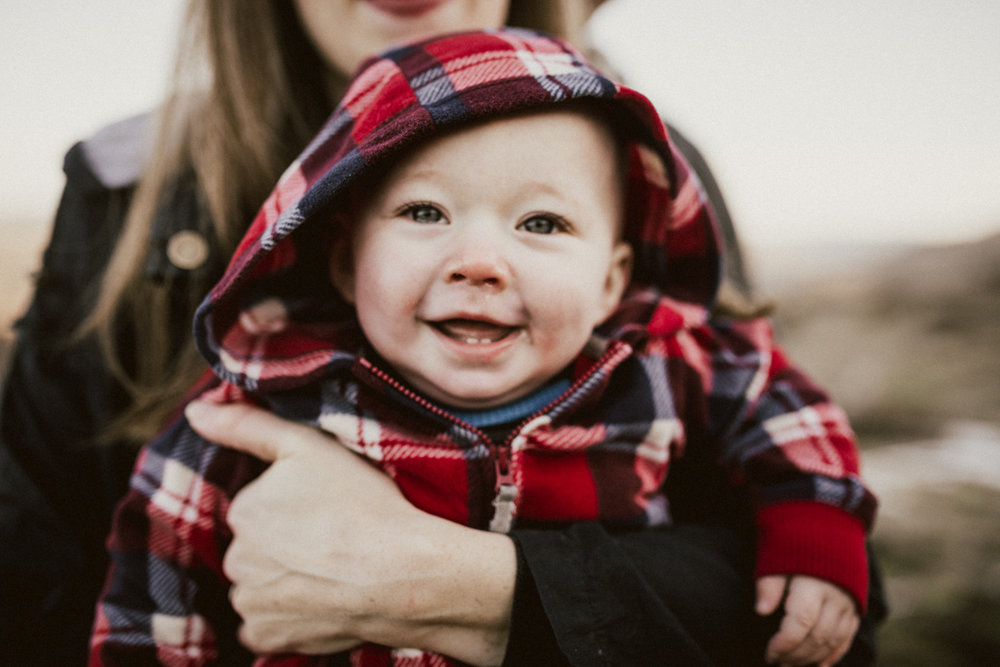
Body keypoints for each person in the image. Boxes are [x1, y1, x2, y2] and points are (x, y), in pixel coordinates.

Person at [90, 28, 877, 666]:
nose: (477, 261)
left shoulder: (660, 369)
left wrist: (815, 528)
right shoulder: (272, 401)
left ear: (612, 281)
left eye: (541, 224)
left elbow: (784, 410)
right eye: (425, 212)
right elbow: (154, 590)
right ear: (343, 258)